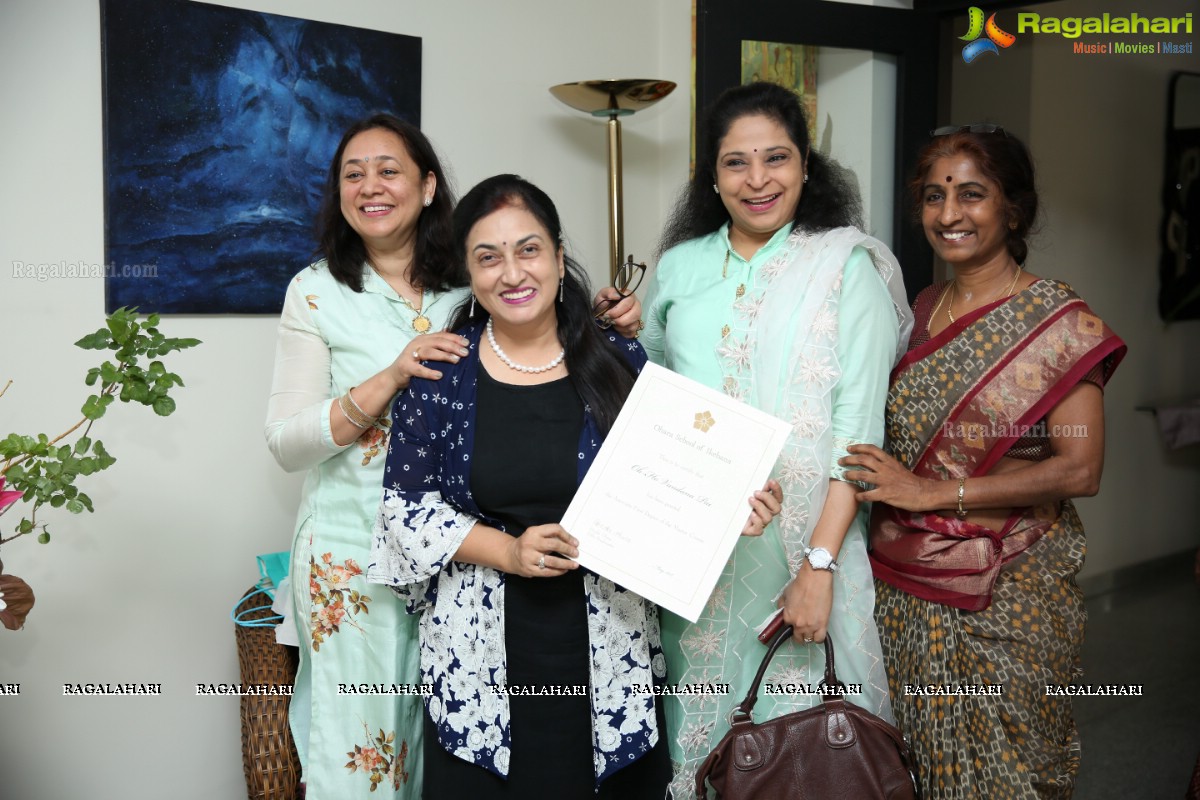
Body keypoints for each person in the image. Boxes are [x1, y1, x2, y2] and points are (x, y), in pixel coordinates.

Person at [366, 175, 779, 798]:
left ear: (559, 257)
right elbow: (404, 510)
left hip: (610, 647)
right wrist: (507, 551)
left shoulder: (617, 358)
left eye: (528, 249)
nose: (512, 272)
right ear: (469, 274)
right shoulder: (441, 371)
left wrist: (729, 507)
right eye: (488, 257)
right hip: (479, 658)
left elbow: (674, 473)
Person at [265, 117, 640, 799]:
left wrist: (613, 321)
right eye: (354, 173)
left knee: (449, 746)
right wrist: (390, 377)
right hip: (358, 560)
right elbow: (286, 442)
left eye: (390, 170)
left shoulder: (467, 281)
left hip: (472, 577)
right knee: (366, 759)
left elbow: (551, 332)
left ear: (428, 185)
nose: (371, 187)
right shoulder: (316, 291)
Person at [640, 81, 913, 796]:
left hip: (804, 559)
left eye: (776, 158)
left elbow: (858, 438)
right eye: (736, 163)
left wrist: (818, 567)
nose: (758, 180)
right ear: (712, 175)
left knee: (810, 755)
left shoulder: (846, 269)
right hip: (700, 563)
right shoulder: (679, 268)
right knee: (707, 753)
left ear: (805, 167)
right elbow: (653, 405)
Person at [840, 125, 1126, 799]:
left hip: (1010, 590)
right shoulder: (921, 306)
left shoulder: (1058, 323)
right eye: (933, 196)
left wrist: (929, 494)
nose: (948, 215)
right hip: (905, 586)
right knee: (924, 765)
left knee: (1008, 774)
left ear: (1013, 209)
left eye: (972, 195)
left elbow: (1080, 470)